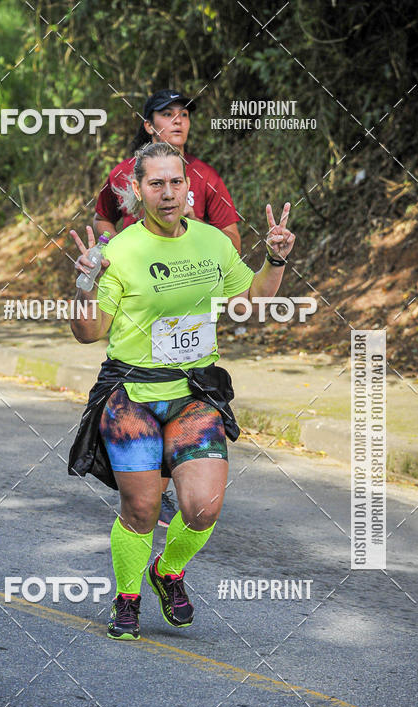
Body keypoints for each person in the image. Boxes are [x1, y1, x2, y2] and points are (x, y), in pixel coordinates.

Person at [68, 142, 295, 641]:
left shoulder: (213, 242)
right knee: (143, 509)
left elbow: (252, 299)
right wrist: (85, 283)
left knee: (203, 506)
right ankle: (127, 595)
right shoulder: (119, 252)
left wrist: (274, 260)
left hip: (194, 392)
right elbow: (88, 333)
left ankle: (167, 572)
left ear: (188, 188)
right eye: (155, 184)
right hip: (132, 394)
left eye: (175, 182)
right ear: (137, 191)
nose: (167, 193)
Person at [93, 88, 242, 525]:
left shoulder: (206, 176)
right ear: (147, 126)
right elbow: (103, 215)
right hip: (135, 290)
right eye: (167, 115)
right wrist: (107, 254)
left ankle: (169, 478)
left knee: (180, 380)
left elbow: (230, 233)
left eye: (184, 114)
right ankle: (147, 490)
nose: (178, 121)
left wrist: (202, 261)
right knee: (144, 499)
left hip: (187, 294)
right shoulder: (123, 173)